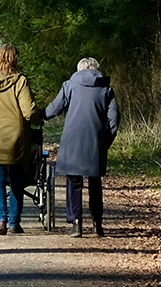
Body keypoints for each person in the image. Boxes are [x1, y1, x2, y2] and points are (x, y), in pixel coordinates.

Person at [43, 57, 119, 237]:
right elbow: (113, 119)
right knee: (95, 182)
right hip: (96, 140)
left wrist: (39, 115)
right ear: (96, 69)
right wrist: (105, 141)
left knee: (74, 182)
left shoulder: (69, 85)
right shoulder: (106, 89)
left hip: (72, 140)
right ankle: (97, 223)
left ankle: (76, 223)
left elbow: (55, 108)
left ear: (79, 70)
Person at [0, 44, 39, 235]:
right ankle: (14, 222)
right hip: (16, 140)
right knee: (16, 181)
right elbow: (28, 111)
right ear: (15, 60)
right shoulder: (20, 81)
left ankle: (0, 219)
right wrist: (38, 119)